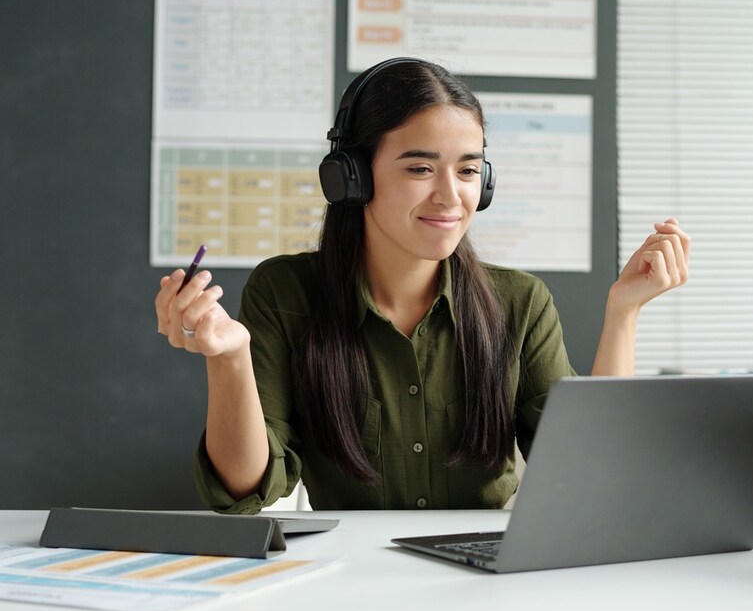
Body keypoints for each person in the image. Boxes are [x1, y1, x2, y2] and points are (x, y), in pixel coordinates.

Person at [154, 57, 690, 514]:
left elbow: (590, 474)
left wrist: (624, 313)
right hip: (353, 583)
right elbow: (246, 489)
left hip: (486, 581)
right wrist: (229, 359)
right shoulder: (286, 292)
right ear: (352, 176)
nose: (450, 197)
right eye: (419, 169)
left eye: (467, 171)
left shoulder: (520, 302)